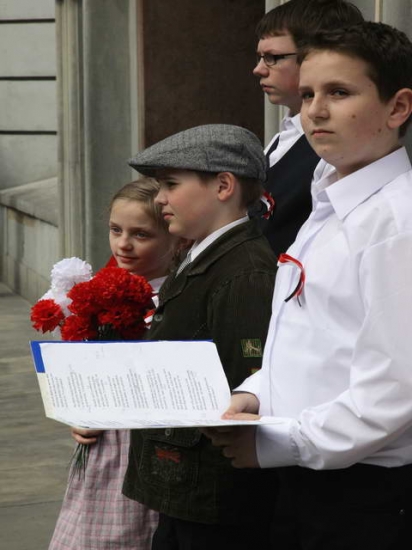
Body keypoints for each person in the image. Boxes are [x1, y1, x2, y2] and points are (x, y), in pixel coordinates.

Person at [206, 22, 412, 549]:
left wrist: (282, 442)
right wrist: (255, 395)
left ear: (398, 108)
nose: (314, 111)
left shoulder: (397, 221)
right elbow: (310, 335)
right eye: (307, 94)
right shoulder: (328, 198)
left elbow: (395, 388)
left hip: (365, 492)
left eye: (339, 93)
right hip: (305, 473)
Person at [121, 124, 278, 550]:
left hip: (214, 497)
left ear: (223, 185)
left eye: (171, 184)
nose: (159, 199)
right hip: (188, 487)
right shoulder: (202, 252)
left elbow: (246, 384)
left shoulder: (245, 271)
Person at [49, 177, 183, 550]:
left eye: (141, 234)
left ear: (175, 236)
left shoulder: (176, 299)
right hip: (104, 445)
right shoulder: (102, 290)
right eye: (115, 230)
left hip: (144, 446)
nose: (123, 243)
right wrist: (80, 412)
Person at [253, 0, 363, 255]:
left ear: (317, 56)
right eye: (259, 57)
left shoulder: (337, 152)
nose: (258, 69)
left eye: (272, 58)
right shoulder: (284, 135)